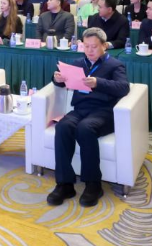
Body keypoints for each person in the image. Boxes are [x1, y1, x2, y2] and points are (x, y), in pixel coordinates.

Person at [47, 28, 130, 207]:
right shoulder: (78, 63)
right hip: (80, 109)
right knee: (63, 127)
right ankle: (64, 184)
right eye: (86, 46)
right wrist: (57, 79)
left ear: (104, 46)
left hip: (104, 112)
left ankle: (93, 184)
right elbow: (61, 81)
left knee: (85, 128)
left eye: (94, 46)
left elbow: (123, 88)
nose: (90, 50)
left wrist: (98, 83)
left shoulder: (115, 65)